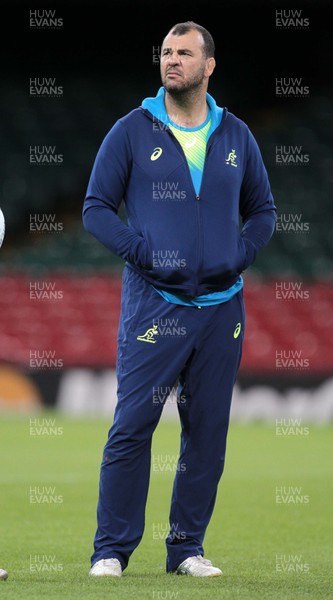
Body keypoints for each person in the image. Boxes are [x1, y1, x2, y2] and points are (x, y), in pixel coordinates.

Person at [82, 20, 276, 578]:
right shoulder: (131, 130)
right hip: (155, 305)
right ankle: (111, 552)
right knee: (131, 427)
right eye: (166, 52)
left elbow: (263, 210)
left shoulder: (236, 134)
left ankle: (186, 549)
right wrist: (141, 252)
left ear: (209, 65)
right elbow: (96, 208)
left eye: (184, 53)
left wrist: (239, 254)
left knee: (207, 433)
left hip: (222, 308)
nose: (172, 60)